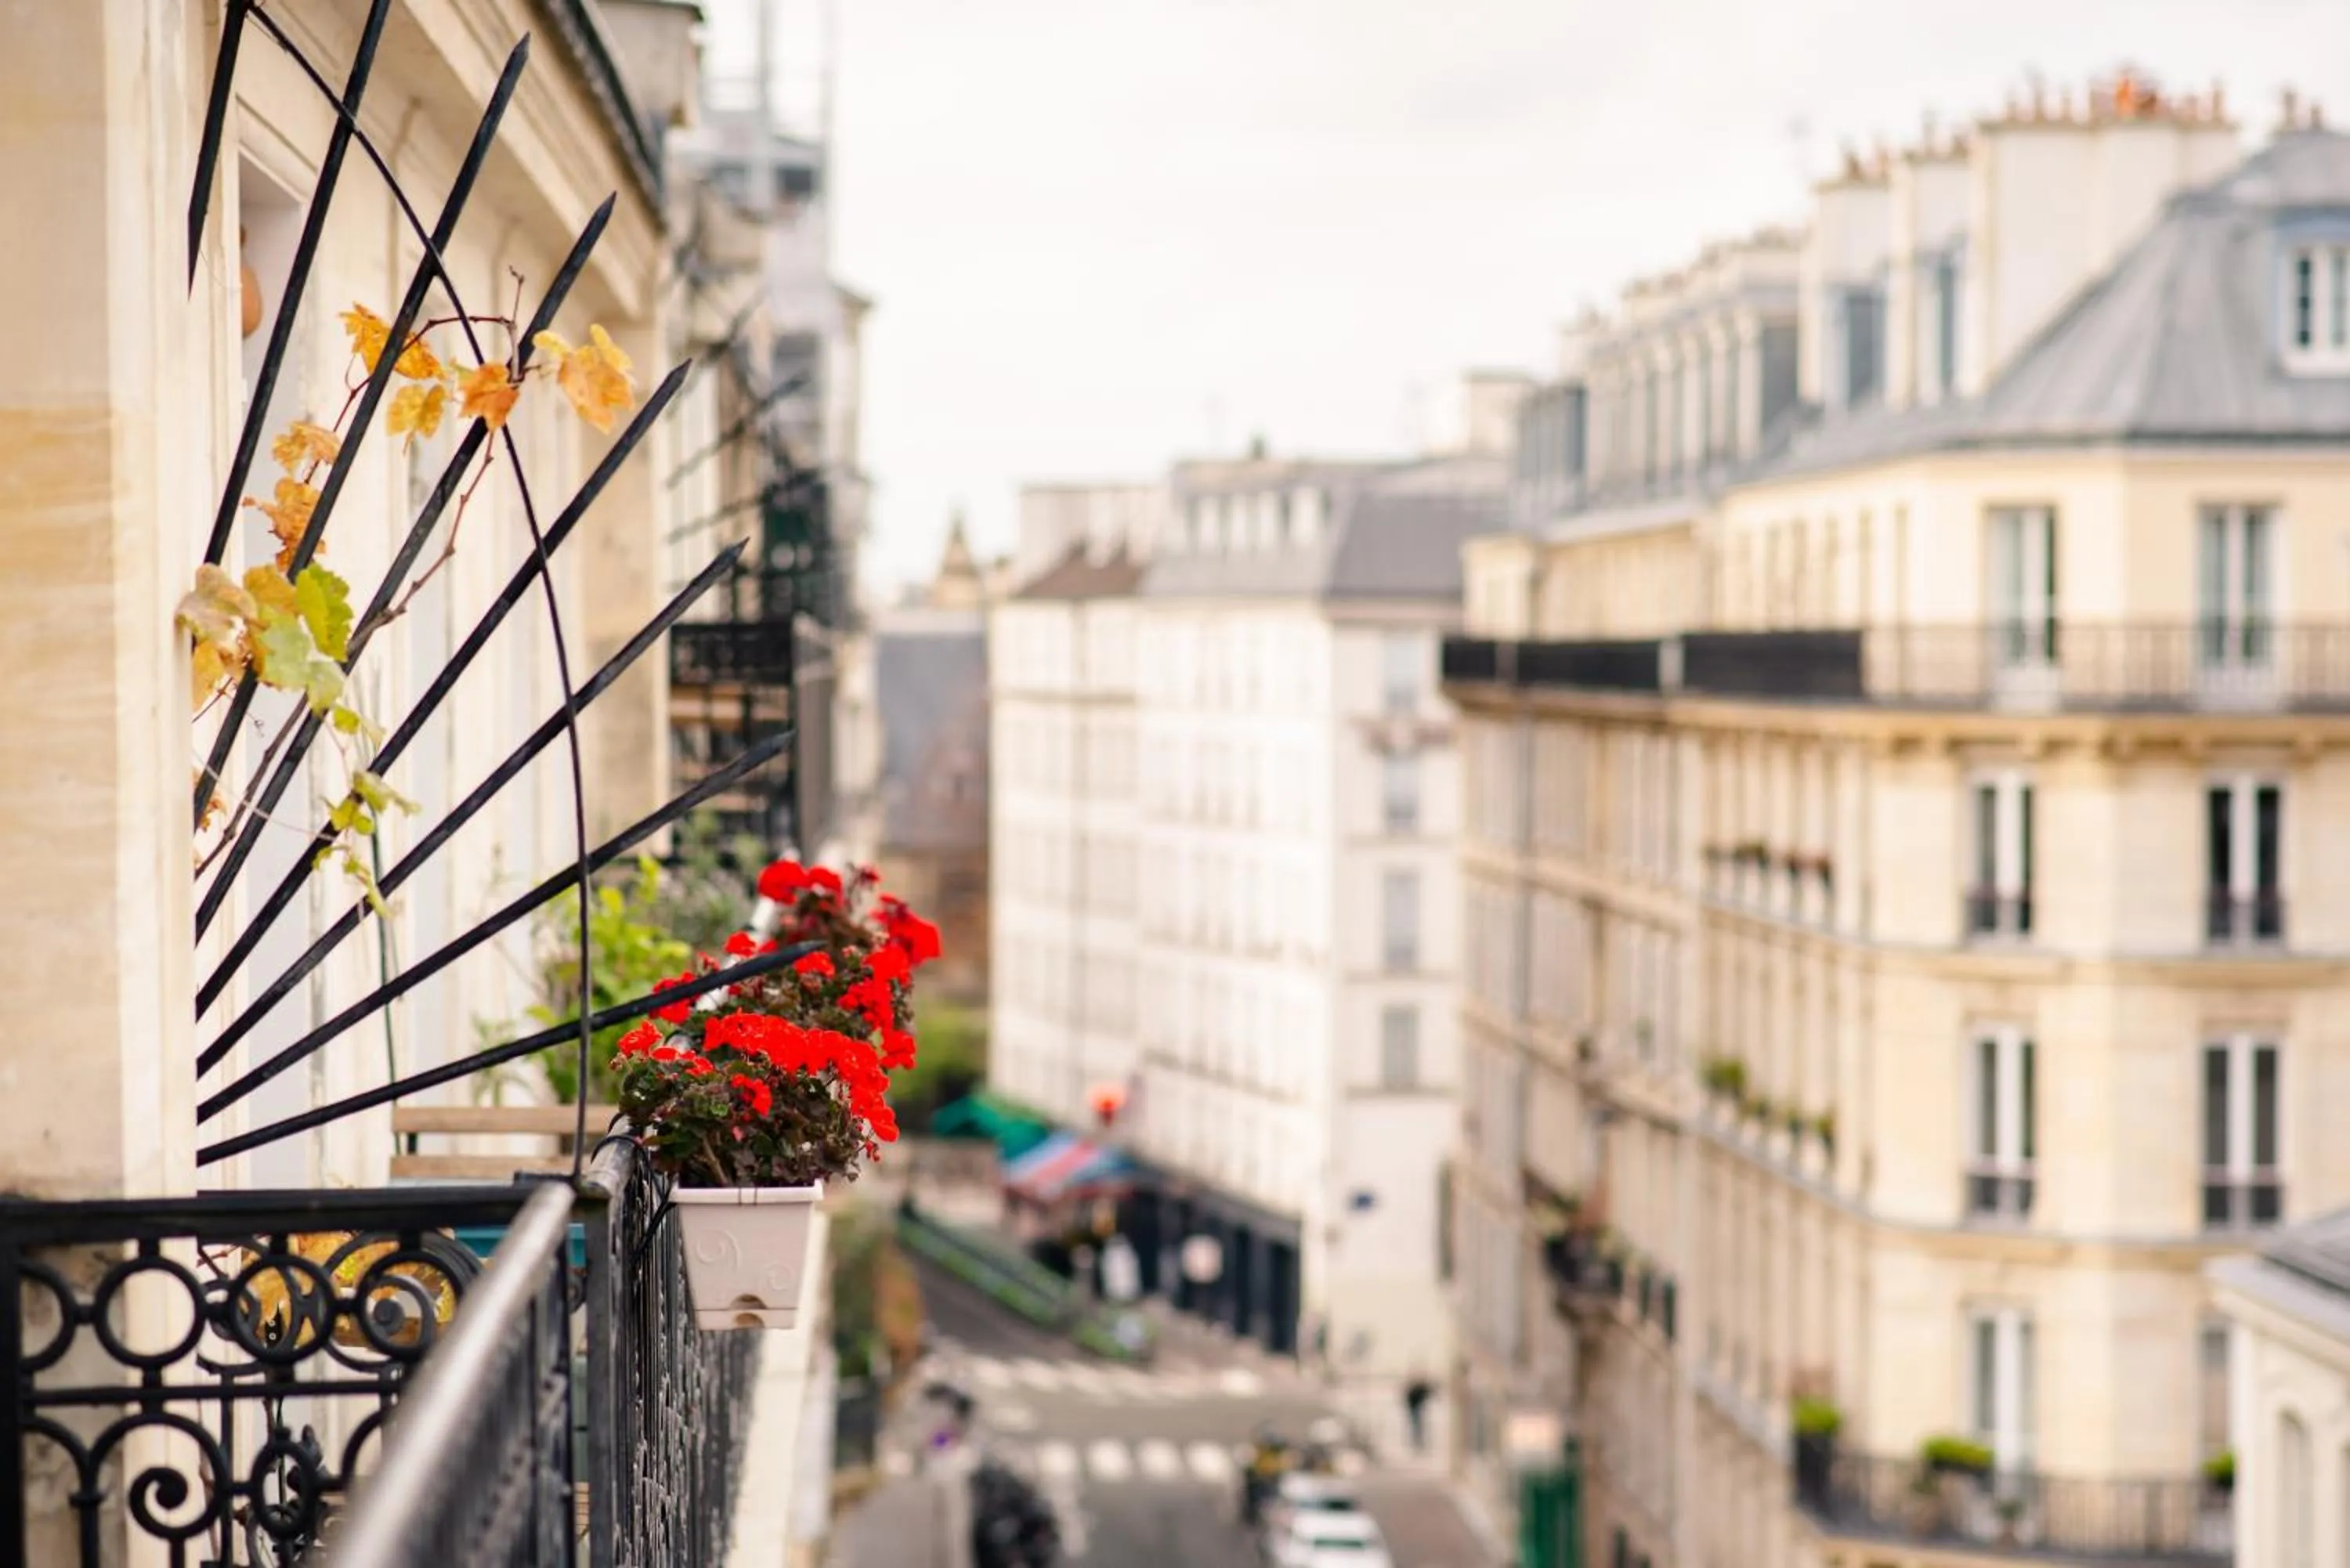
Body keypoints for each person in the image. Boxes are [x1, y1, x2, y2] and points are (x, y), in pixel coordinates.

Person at [1403, 1373, 1435, 1454]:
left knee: (1418, 1425)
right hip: (1414, 1408)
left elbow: (1428, 1394)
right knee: (1416, 1425)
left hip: (1416, 1408)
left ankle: (1419, 1441)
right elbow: (1410, 1398)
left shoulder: (1420, 1389)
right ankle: (1417, 1442)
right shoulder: (1416, 1389)